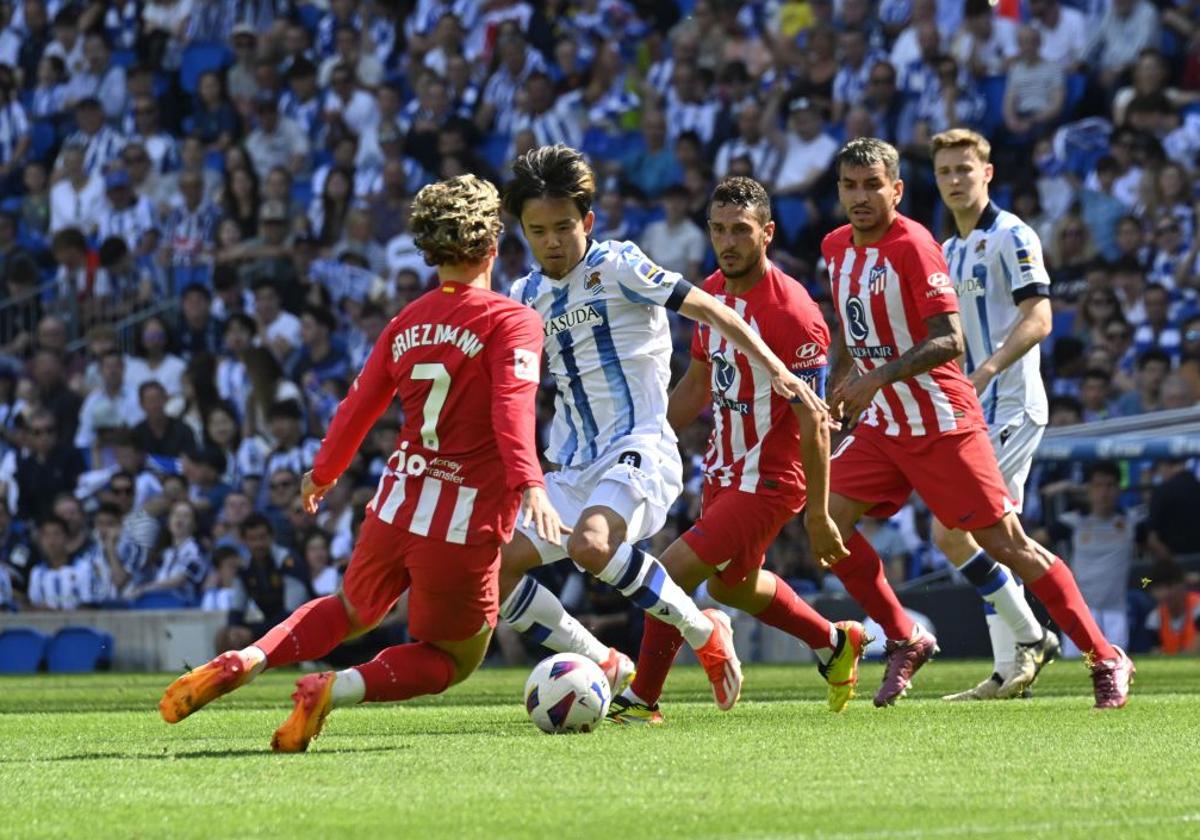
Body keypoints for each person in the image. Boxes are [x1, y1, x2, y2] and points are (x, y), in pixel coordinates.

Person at [159, 174, 566, 753]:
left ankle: (250, 656)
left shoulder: (406, 322)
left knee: (351, 609)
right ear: (495, 244)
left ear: (428, 251)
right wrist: (531, 484)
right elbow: (511, 409)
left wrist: (322, 474)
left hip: (396, 504)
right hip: (462, 523)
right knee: (453, 660)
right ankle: (334, 688)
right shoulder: (512, 321)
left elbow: (356, 407)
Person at [496, 145, 826, 712]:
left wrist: (773, 366)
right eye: (537, 230)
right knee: (489, 567)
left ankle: (705, 634)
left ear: (588, 223)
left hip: (640, 445)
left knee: (593, 545)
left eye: (563, 228)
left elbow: (714, 310)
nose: (551, 241)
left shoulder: (620, 265)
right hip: (574, 464)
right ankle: (599, 658)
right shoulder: (524, 297)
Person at [821, 137, 1133, 710]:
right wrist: (842, 381)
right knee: (825, 525)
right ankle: (909, 637)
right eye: (850, 185)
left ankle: (1102, 654)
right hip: (887, 423)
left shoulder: (932, 244)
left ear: (897, 189)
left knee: (1001, 541)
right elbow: (850, 323)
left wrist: (885, 378)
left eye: (873, 185)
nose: (860, 196)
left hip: (955, 415)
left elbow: (959, 338)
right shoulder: (845, 246)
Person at [605, 176, 864, 724]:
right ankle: (835, 643)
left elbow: (815, 421)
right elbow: (697, 385)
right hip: (723, 469)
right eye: (719, 229)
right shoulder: (712, 293)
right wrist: (642, 440)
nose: (729, 242)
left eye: (741, 230)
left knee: (669, 573)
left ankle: (643, 698)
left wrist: (818, 516)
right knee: (735, 586)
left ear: (767, 233)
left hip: (769, 480)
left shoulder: (793, 313)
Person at [930, 129, 1063, 701]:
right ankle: (1014, 665)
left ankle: (1037, 642)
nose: (956, 180)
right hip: (970, 410)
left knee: (960, 530)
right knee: (989, 537)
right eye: (946, 172)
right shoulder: (946, 249)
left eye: (965, 169)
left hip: (1010, 401)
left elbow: (1040, 318)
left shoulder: (1012, 235)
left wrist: (985, 370)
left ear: (987, 173)